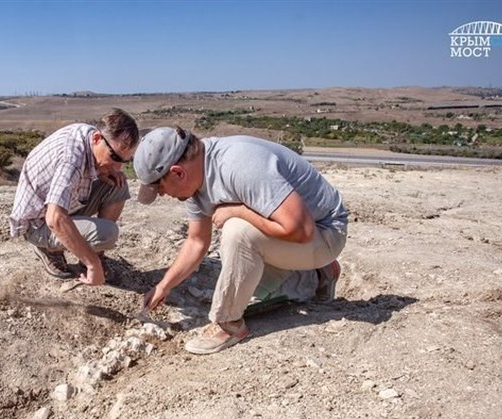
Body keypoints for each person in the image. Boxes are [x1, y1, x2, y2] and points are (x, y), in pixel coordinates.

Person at [133, 126, 348, 355]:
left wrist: (239, 211)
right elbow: (197, 241)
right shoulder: (195, 178)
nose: (162, 194)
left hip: (325, 232)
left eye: (159, 187)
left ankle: (229, 324)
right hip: (299, 236)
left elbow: (301, 230)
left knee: (237, 231)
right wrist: (164, 286)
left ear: (177, 172)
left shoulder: (238, 165)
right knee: (254, 298)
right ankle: (319, 273)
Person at [8, 108, 139, 285]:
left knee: (118, 185)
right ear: (97, 138)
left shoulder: (88, 136)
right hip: (38, 223)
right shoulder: (71, 159)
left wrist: (102, 172)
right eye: (114, 156)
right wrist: (93, 265)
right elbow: (55, 218)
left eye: (123, 161)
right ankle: (49, 249)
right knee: (107, 233)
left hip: (66, 204)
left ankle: (94, 253)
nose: (117, 167)